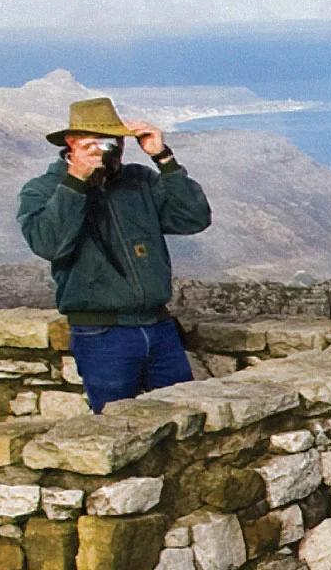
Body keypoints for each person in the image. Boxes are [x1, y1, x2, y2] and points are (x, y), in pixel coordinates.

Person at [16, 96, 212, 411]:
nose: (110, 151)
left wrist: (163, 159)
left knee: (184, 421)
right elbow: (48, 244)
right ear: (73, 143)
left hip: (158, 328)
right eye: (99, 142)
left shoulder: (139, 181)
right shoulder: (43, 190)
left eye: (115, 141)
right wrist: (76, 183)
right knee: (120, 429)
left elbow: (194, 218)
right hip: (102, 335)